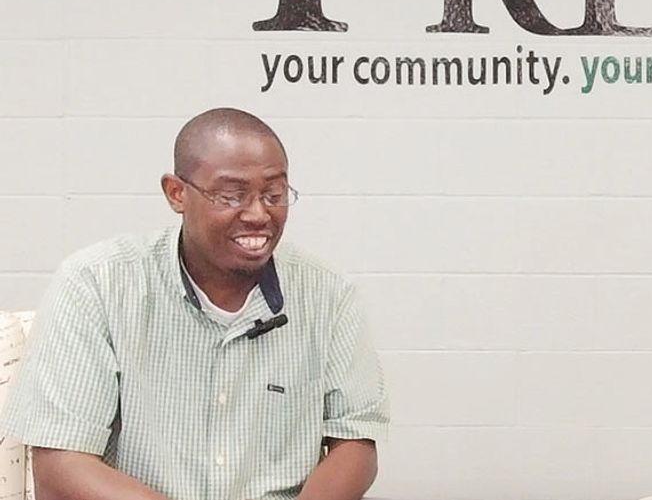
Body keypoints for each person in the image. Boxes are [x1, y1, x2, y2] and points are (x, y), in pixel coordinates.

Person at [0, 107, 387, 500]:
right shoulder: (96, 285)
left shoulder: (328, 294)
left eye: (274, 194)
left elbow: (355, 443)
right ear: (177, 193)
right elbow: (61, 464)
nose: (258, 214)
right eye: (232, 195)